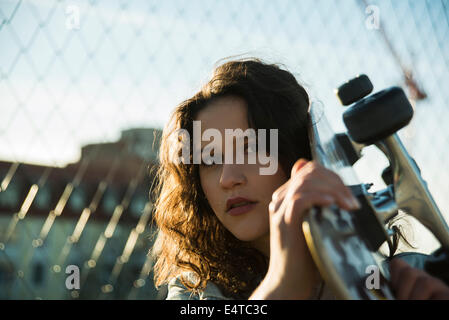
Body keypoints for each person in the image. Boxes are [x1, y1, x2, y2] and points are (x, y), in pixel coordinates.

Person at [150, 57, 449, 300]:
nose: (228, 178)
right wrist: (285, 283)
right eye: (210, 160)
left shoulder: (391, 279)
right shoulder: (195, 293)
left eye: (252, 148)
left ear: (299, 152)